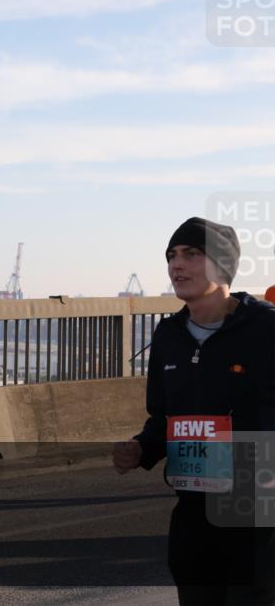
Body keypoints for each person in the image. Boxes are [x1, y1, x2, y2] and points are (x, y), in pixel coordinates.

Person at [113, 216, 275, 604]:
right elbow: (163, 417)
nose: (176, 265)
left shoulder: (266, 329)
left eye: (191, 254)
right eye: (171, 255)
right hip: (192, 508)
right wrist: (141, 449)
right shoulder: (169, 335)